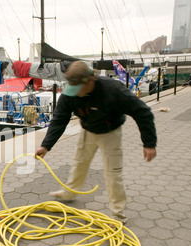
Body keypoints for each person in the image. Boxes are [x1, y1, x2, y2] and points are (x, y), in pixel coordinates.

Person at [35, 60, 157, 224]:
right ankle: (69, 192)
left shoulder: (113, 90)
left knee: (113, 173)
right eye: (73, 89)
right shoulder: (70, 93)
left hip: (110, 132)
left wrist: (149, 143)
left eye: (78, 89)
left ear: (91, 80)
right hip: (88, 130)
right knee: (79, 163)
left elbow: (143, 112)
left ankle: (118, 213)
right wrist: (46, 145)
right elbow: (59, 120)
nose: (76, 94)